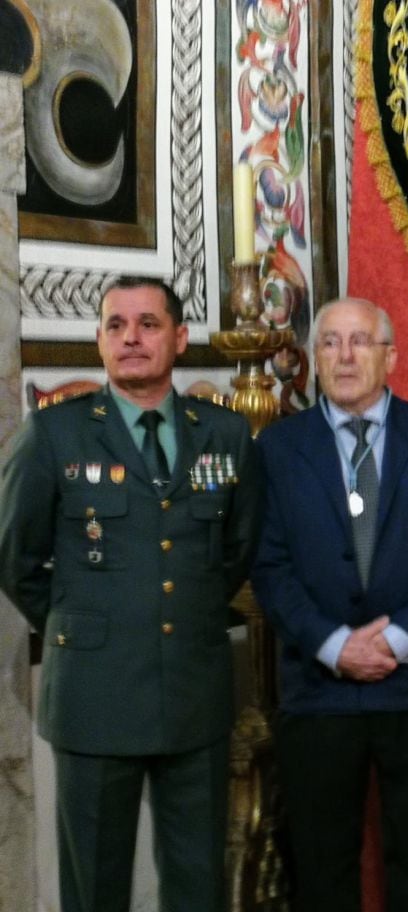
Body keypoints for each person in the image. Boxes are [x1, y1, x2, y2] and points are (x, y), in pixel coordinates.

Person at [0, 276, 261, 912]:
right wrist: (87, 622)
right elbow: (17, 557)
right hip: (95, 694)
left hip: (195, 694)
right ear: (99, 340)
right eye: (115, 326)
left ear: (179, 337)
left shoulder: (224, 436)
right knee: (95, 886)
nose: (131, 339)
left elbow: (237, 550)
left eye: (147, 324)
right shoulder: (54, 435)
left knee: (199, 884)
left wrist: (182, 612)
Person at [251, 297, 408, 912]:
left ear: (391, 357)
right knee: (322, 869)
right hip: (318, 689)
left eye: (360, 341)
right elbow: (269, 566)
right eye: (329, 342)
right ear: (314, 358)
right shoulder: (278, 448)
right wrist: (334, 646)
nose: (344, 355)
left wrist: (396, 639)